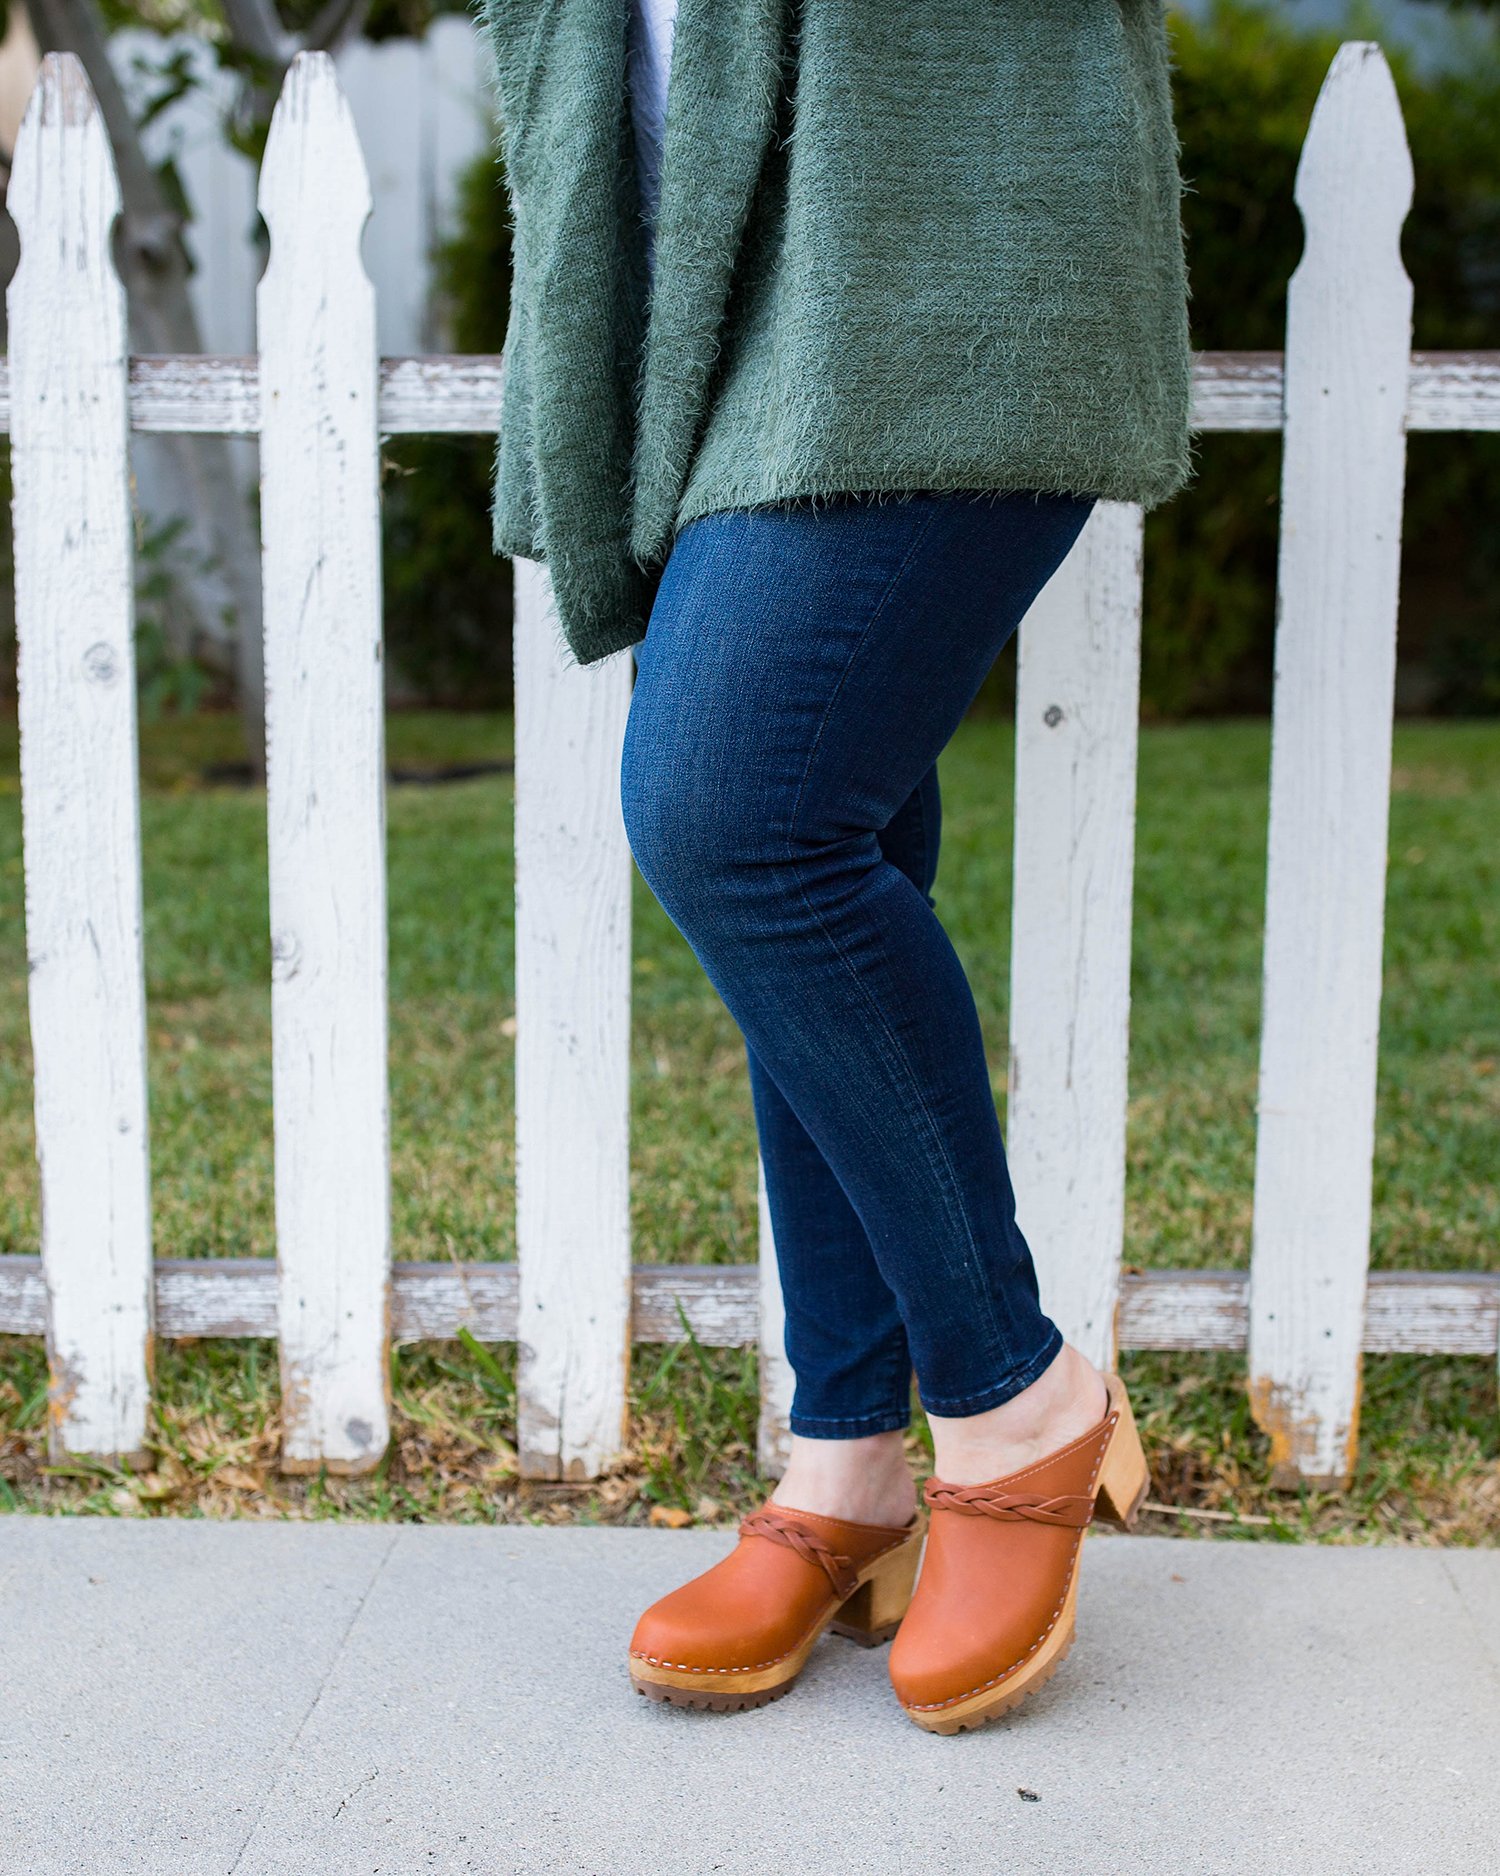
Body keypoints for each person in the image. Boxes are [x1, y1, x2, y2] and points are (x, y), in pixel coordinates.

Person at [479, 0, 1193, 1732]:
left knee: (744, 820)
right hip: (716, 305)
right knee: (829, 837)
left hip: (946, 265)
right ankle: (851, 1453)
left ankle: (1015, 1399)